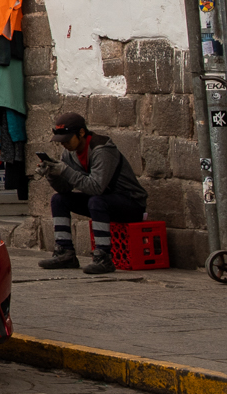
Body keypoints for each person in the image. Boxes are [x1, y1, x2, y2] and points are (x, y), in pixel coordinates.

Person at [36, 111, 147, 275]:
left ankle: (104, 258)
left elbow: (96, 188)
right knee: (59, 200)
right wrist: (52, 174)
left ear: (81, 133)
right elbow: (65, 189)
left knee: (96, 201)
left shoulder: (102, 150)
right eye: (61, 141)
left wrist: (65, 170)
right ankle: (65, 252)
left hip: (131, 204)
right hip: (101, 201)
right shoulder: (70, 152)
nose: (64, 145)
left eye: (67, 140)